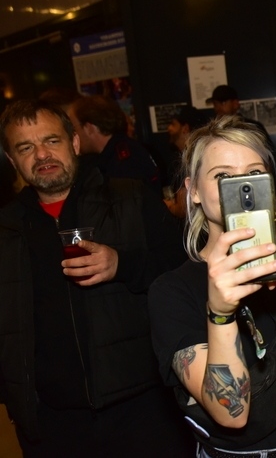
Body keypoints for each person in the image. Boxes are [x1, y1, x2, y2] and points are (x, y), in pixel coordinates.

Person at [148, 115, 276, 457]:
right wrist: (219, 315)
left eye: (254, 173)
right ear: (194, 190)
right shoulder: (174, 291)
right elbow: (231, 413)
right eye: (222, 176)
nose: (240, 187)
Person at [0, 98, 194, 457]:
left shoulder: (130, 198)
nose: (41, 154)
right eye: (25, 148)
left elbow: (184, 272)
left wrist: (123, 264)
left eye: (52, 140)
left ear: (74, 143)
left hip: (144, 412)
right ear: (12, 160)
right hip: (54, 425)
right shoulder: (7, 230)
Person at [67, 94, 161, 195]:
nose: (72, 135)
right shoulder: (118, 152)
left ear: (89, 128)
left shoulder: (124, 162)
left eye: (73, 128)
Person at [163, 105, 208, 218]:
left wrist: (166, 205)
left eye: (173, 124)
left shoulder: (187, 161)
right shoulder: (197, 155)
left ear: (185, 128)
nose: (169, 128)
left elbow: (184, 209)